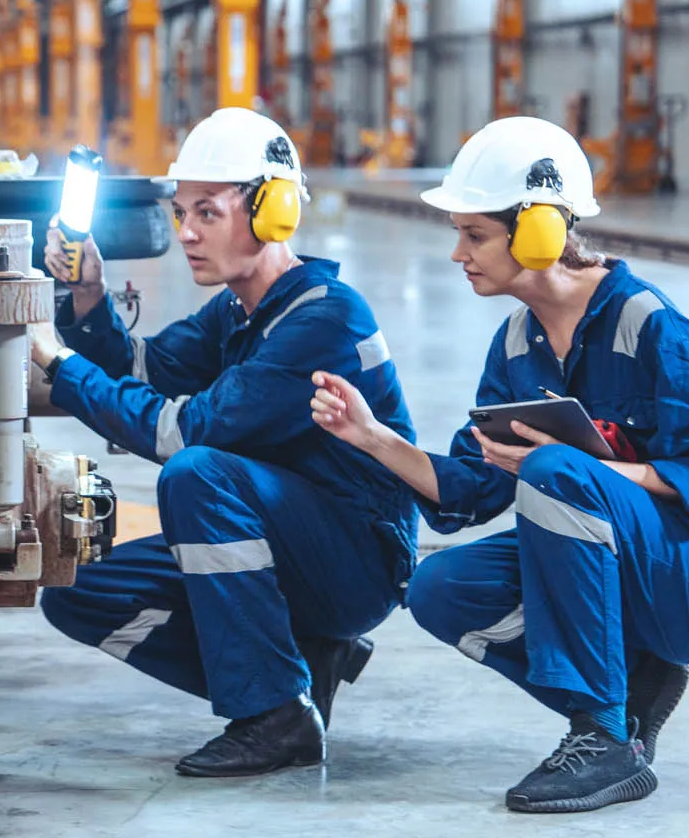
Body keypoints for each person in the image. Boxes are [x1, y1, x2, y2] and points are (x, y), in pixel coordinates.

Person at [308, 117, 689, 813]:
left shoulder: (648, 325)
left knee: (557, 475)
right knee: (441, 586)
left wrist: (581, 468)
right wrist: (373, 436)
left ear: (538, 231)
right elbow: (469, 489)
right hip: (637, 584)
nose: (457, 254)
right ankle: (630, 693)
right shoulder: (517, 345)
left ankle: (600, 738)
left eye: (474, 235)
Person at [29, 108, 421, 777]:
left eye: (206, 212)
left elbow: (183, 432)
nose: (185, 233)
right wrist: (89, 295)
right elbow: (140, 370)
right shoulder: (238, 312)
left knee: (196, 472)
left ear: (272, 212)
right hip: (286, 542)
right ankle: (296, 670)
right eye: (182, 212)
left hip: (355, 558)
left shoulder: (325, 317)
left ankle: (274, 717)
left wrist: (61, 368)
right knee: (79, 592)